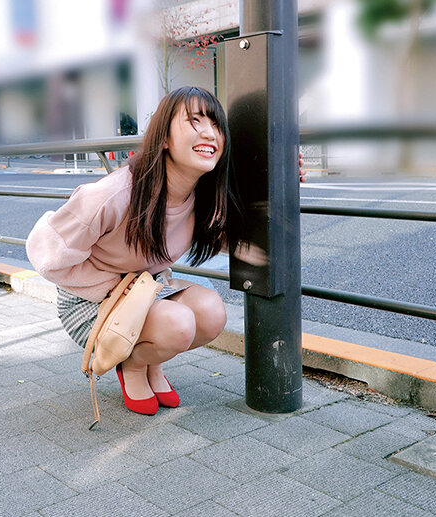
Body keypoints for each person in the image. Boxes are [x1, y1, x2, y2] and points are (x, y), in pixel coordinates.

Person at [26, 86, 305, 416]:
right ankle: (131, 365)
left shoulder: (202, 195)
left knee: (212, 313)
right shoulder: (114, 194)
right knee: (178, 324)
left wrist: (279, 182)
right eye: (195, 120)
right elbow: (44, 253)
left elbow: (233, 242)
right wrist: (111, 288)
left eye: (216, 124)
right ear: (164, 139)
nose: (209, 133)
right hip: (89, 301)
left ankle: (151, 361)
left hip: (145, 290)